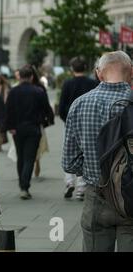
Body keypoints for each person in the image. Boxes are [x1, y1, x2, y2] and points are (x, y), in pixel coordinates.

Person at [62, 51, 133, 252]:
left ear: (99, 73)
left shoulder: (80, 104)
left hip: (97, 194)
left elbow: (69, 162)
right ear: (132, 72)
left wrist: (91, 168)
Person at [5, 65, 54, 200]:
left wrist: (10, 127)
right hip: (33, 127)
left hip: (17, 128)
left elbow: (8, 110)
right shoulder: (38, 91)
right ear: (32, 76)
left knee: (20, 157)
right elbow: (46, 109)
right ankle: (25, 185)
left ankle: (22, 184)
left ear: (19, 76)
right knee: (29, 158)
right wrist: (46, 122)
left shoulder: (13, 92)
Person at [59, 57, 99, 200]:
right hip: (88, 123)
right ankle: (81, 188)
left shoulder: (67, 83)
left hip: (70, 123)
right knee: (85, 152)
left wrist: (66, 120)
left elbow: (62, 105)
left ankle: (69, 182)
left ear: (72, 69)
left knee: (69, 151)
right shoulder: (93, 83)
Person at [31, 66, 55, 178]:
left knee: (38, 145)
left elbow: (45, 105)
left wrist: (49, 118)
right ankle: (32, 165)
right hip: (31, 121)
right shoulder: (19, 87)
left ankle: (36, 163)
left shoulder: (40, 87)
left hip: (37, 121)